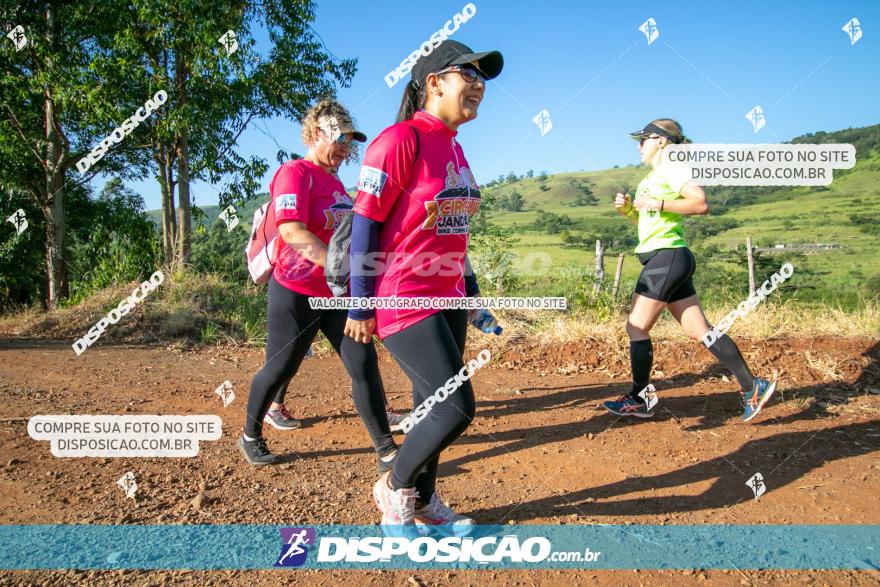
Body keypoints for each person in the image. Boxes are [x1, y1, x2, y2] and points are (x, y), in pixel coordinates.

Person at [345, 40, 503, 534]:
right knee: (456, 407)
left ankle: (425, 500)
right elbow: (365, 224)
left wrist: (471, 296)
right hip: (403, 293)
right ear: (433, 82)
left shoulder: (454, 147)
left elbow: (453, 229)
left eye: (483, 77)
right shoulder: (398, 141)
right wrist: (359, 304)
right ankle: (394, 486)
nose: (478, 83)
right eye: (468, 73)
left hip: (447, 296)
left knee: (427, 404)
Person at [240, 98, 398, 470]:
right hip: (295, 292)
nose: (346, 146)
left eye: (350, 140)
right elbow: (292, 231)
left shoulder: (335, 183)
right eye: (339, 137)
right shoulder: (294, 173)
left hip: (335, 295)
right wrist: (339, 264)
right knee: (281, 368)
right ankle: (250, 434)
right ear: (314, 134)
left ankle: (387, 450)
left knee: (363, 362)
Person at [603, 118, 777, 422]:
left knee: (636, 326)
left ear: (659, 140)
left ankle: (639, 399)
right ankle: (753, 387)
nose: (638, 146)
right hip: (667, 257)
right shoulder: (655, 175)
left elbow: (700, 203)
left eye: (642, 139)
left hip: (666, 258)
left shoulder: (674, 167)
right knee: (700, 331)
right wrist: (629, 210)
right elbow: (650, 221)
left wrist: (656, 202)